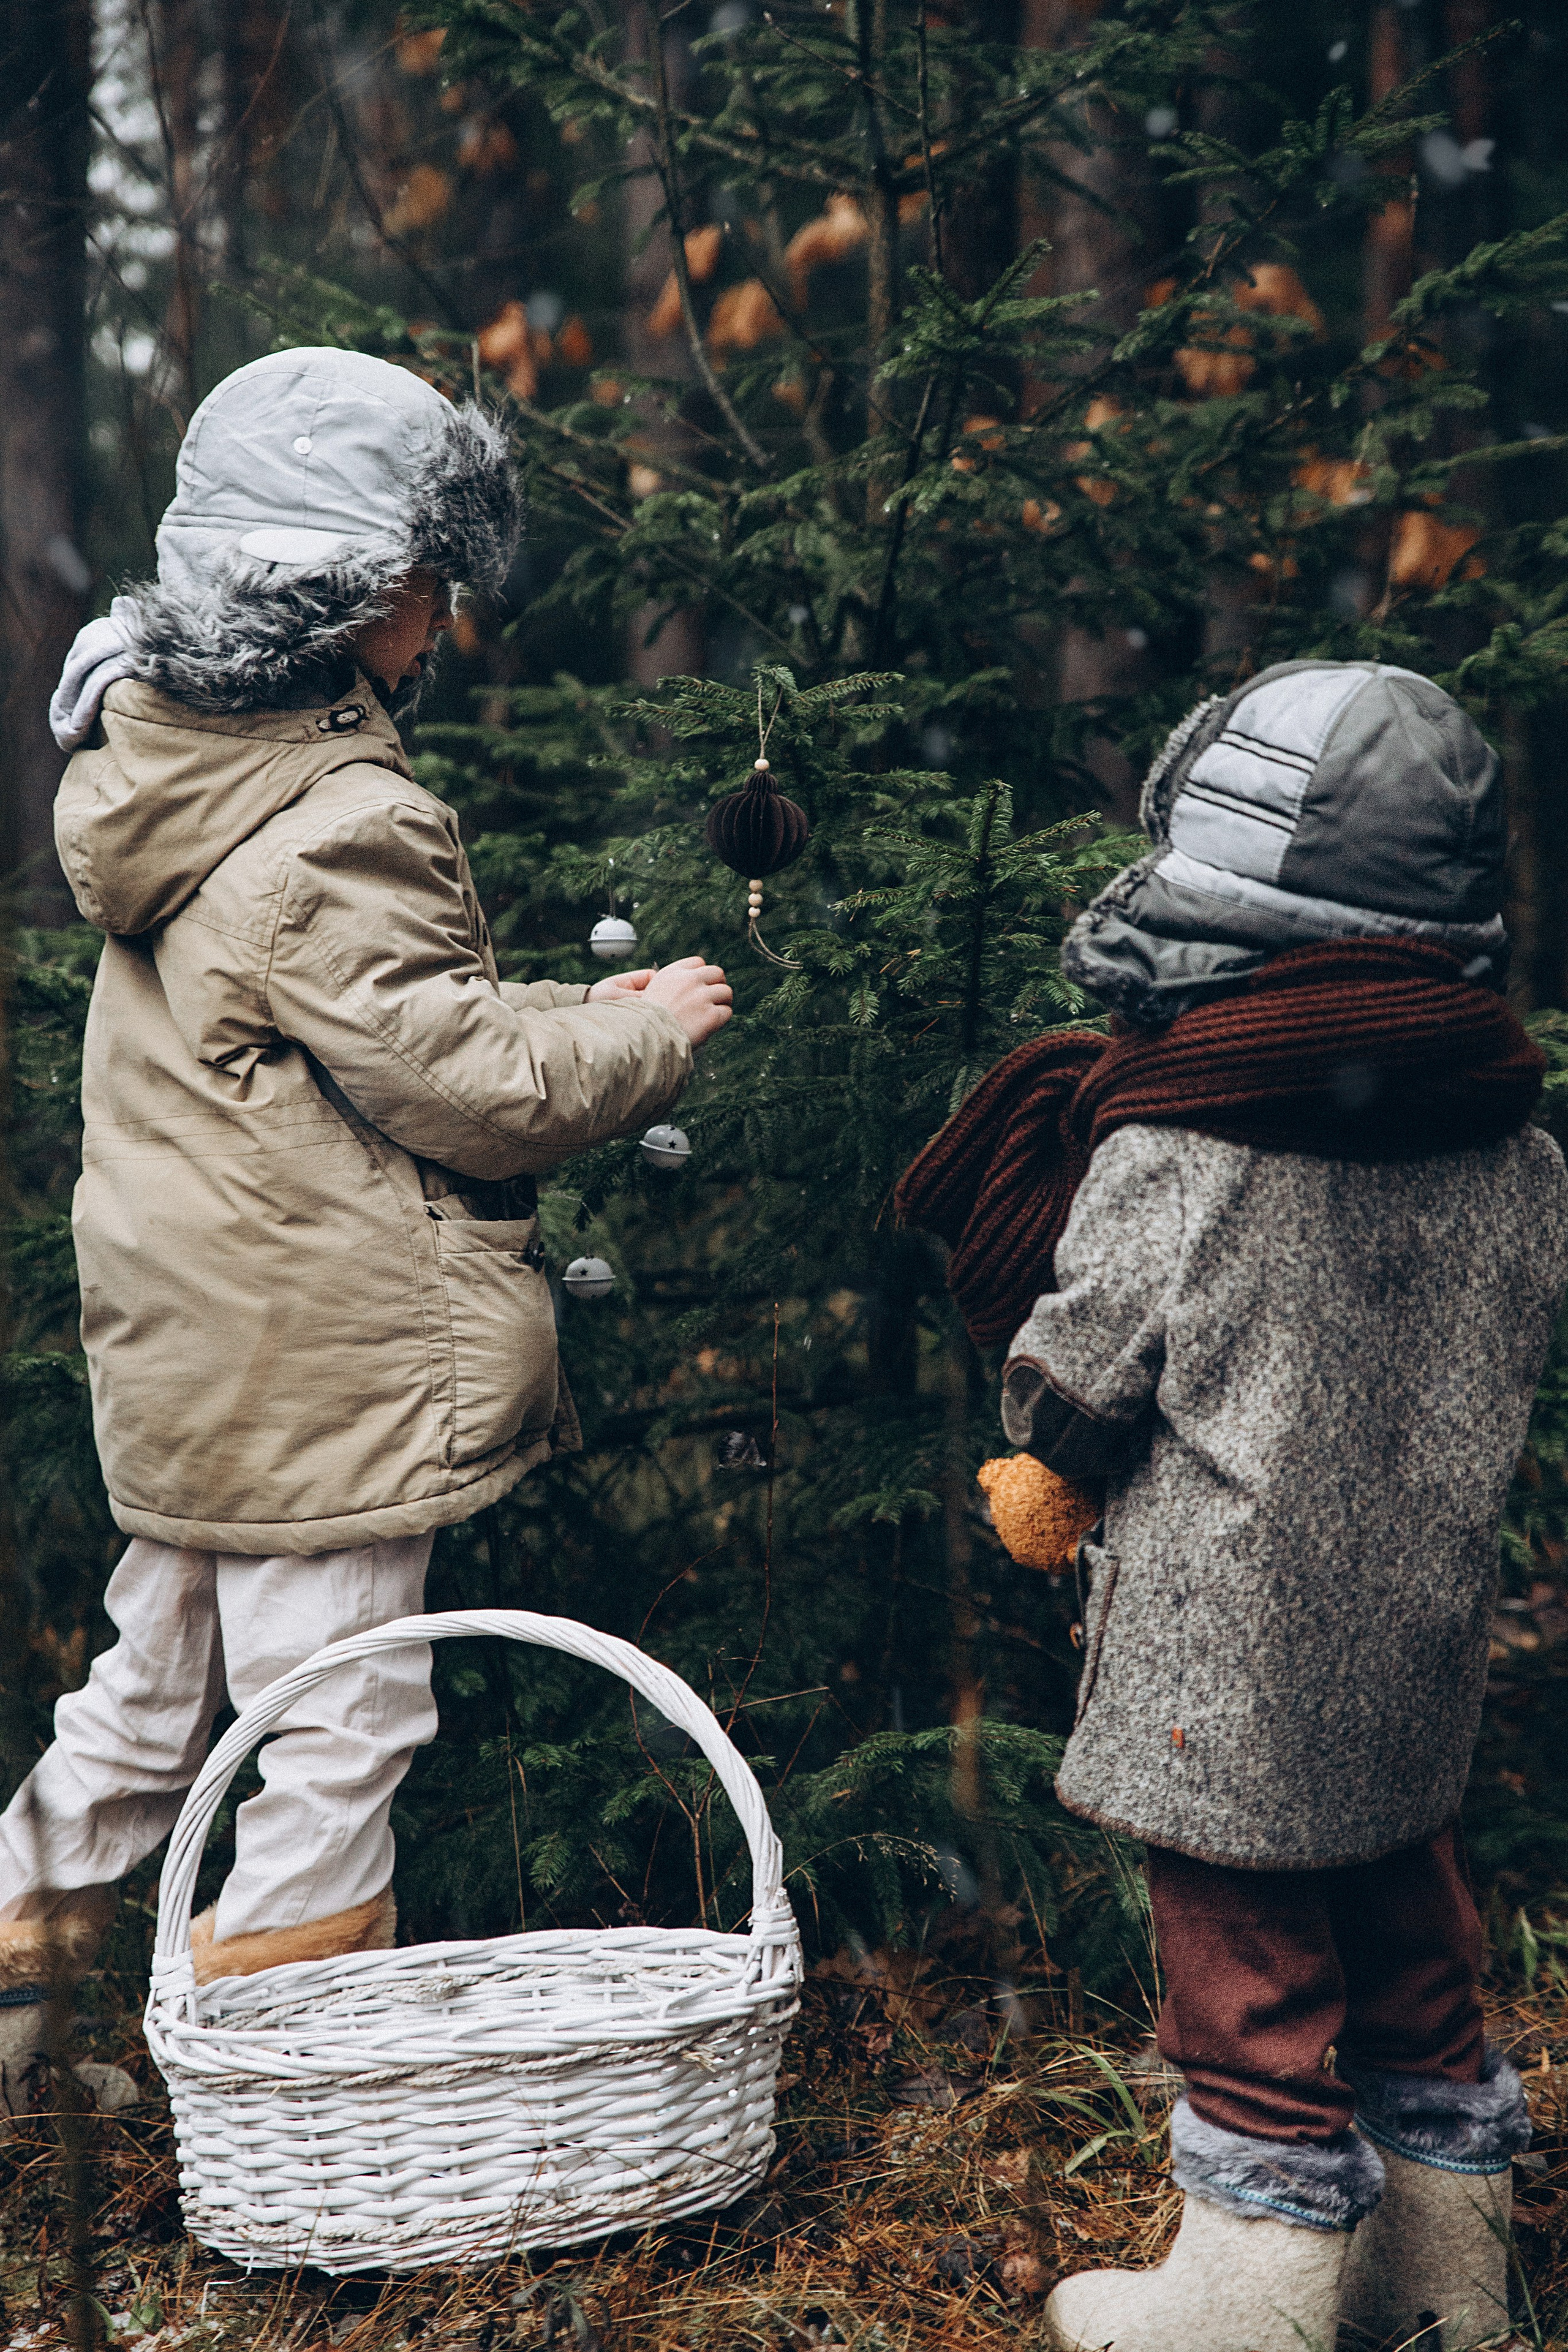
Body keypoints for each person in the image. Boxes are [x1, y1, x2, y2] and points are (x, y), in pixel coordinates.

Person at [0, 348, 731, 2113]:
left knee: (144, 1712)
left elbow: (356, 1035)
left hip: (199, 1359)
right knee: (341, 1726)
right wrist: (647, 1030)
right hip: (322, 1370)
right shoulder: (337, 818)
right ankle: (289, 2105)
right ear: (354, 591)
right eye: (428, 592)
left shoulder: (174, 779)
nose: (442, 628)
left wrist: (569, 992)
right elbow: (464, 1080)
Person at [897, 658, 1568, 2352]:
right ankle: (1448, 2279)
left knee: (1248, 1970)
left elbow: (1081, 1370)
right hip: (1414, 1635)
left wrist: (1038, 1448)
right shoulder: (1517, 1149)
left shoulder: (1185, 1146)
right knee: (1417, 1946)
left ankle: (1255, 2297)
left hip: (1224, 1663)